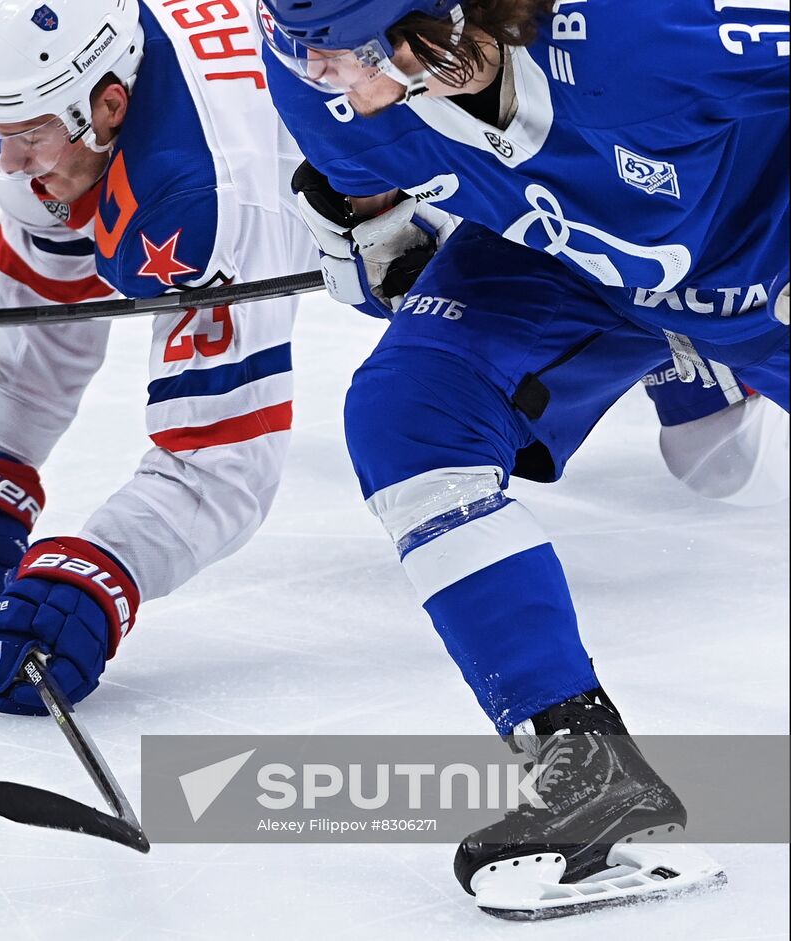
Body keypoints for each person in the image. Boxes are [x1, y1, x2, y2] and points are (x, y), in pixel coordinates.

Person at [258, 0, 788, 917]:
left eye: (341, 53)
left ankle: (705, 372)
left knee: (715, 463)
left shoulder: (645, 31)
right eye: (298, 49)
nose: (317, 78)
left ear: (446, 23)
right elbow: (371, 196)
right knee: (410, 416)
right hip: (562, 263)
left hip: (761, 258)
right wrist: (372, 226)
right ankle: (583, 762)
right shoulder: (319, 67)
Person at [0, 0, 320, 716]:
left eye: (26, 134)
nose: (8, 164)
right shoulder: (67, 124)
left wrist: (102, 568)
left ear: (109, 105)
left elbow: (225, 464)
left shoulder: (204, 197)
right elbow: (53, 303)